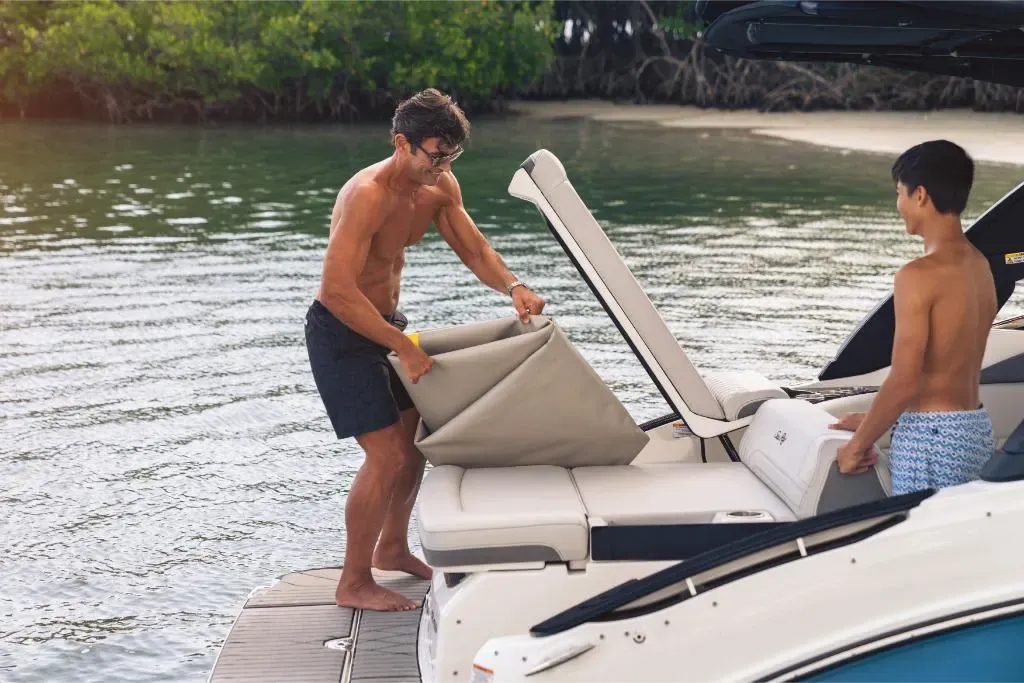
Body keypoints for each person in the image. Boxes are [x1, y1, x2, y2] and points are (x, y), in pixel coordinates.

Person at [304, 88, 546, 612]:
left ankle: (392, 548)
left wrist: (513, 287)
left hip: (386, 328)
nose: (442, 167)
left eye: (451, 157)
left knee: (414, 444)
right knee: (386, 456)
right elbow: (336, 290)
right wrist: (403, 347)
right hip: (341, 333)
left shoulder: (439, 187)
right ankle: (353, 581)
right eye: (435, 156)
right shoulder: (367, 195)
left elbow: (474, 248)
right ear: (402, 143)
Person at [832, 140, 997, 495]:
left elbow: (904, 380)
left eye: (899, 193)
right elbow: (946, 370)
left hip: (931, 440)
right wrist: (873, 423)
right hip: (974, 430)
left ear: (919, 195)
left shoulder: (918, 275)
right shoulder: (979, 266)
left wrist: (856, 447)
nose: (899, 205)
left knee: (922, 529)